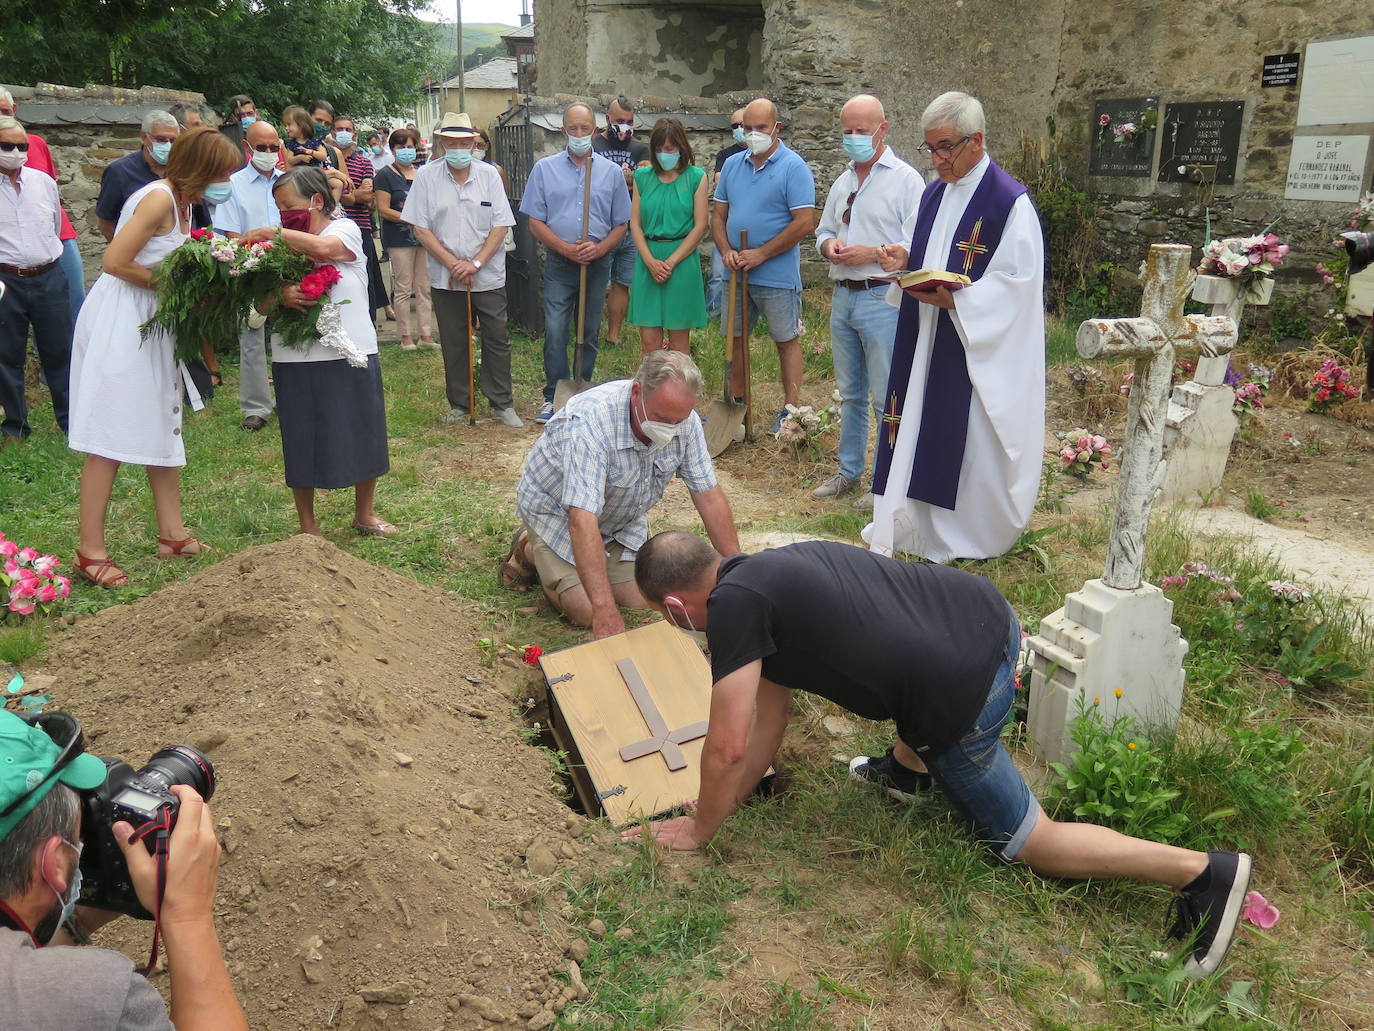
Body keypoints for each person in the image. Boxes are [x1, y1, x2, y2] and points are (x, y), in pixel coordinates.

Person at [625, 531, 1256, 979]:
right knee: (908, 683)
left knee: (1030, 840)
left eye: (667, 618)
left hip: (961, 695)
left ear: (676, 603)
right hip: (991, 620)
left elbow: (730, 741)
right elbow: (768, 717)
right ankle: (907, 771)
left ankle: (1202, 874)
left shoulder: (732, 609)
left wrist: (700, 829)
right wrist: (729, 798)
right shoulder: (764, 572)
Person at [864, 92, 1044, 563]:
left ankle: (964, 535)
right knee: (915, 419)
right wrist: (906, 259)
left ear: (976, 140)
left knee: (964, 434)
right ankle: (915, 524)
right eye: (930, 149)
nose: (937, 160)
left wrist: (962, 303)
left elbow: (1017, 284)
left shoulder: (1009, 202)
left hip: (971, 344)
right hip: (925, 333)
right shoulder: (934, 193)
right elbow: (932, 256)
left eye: (945, 147)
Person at [0, 709, 249, 1031]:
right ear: (55, 863)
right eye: (78, 839)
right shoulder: (87, 997)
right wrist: (189, 915)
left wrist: (83, 917)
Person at [68, 126, 242, 586]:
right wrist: (179, 289)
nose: (227, 179)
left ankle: (172, 535)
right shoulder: (159, 199)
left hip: (155, 321)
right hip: (124, 320)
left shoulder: (186, 203)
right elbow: (115, 262)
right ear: (200, 168)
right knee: (111, 431)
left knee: (165, 419)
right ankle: (90, 551)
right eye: (222, 171)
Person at [507, 351, 740, 637]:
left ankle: (587, 564)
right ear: (637, 392)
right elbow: (581, 520)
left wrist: (737, 573)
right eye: (661, 417)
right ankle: (531, 549)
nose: (669, 428)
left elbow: (710, 498)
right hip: (558, 516)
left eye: (677, 420)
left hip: (618, 520)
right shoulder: (592, 423)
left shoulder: (685, 421)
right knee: (586, 610)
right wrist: (604, 609)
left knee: (642, 600)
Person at [239, 166, 395, 537]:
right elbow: (251, 315)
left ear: (318, 201)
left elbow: (326, 250)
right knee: (301, 436)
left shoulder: (344, 229)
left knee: (363, 430)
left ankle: (365, 514)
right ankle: (307, 526)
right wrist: (277, 296)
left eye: (289, 207)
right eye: (277, 210)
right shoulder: (269, 251)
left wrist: (271, 233)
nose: (282, 216)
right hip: (296, 359)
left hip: (351, 351)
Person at [812, 94, 926, 507]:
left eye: (862, 130)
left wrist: (872, 253)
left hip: (883, 296)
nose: (854, 138)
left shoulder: (906, 180)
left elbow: (919, 244)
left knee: (885, 394)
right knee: (850, 392)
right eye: (847, 131)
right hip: (844, 295)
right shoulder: (844, 181)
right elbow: (823, 231)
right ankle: (848, 472)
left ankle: (887, 482)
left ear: (883, 129)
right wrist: (830, 250)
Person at [404, 113, 519, 426]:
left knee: (496, 336)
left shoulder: (489, 175)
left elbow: (501, 225)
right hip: (446, 276)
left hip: (488, 273)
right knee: (455, 340)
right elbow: (419, 227)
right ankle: (459, 402)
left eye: (463, 142)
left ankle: (501, 402)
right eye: (451, 142)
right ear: (442, 143)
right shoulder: (427, 176)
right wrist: (452, 263)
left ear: (473, 143)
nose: (458, 147)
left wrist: (475, 262)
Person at [520, 102, 631, 425]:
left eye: (585, 129)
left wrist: (599, 250)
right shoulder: (545, 169)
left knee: (589, 329)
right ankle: (553, 393)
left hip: (596, 263)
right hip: (560, 262)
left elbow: (620, 224)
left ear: (595, 130)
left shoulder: (610, 172)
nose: (579, 134)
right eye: (573, 128)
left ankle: (583, 391)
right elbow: (536, 222)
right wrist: (566, 249)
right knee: (555, 329)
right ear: (563, 130)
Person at [713, 97, 816, 432]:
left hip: (776, 274)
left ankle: (791, 412)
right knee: (736, 340)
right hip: (737, 271)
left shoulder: (793, 167)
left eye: (760, 128)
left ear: (776, 128)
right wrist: (726, 250)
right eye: (748, 128)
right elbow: (719, 216)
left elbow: (804, 222)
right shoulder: (732, 165)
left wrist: (762, 253)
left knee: (786, 339)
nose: (753, 133)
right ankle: (739, 409)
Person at [0, 115, 70, 442]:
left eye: (21, 146)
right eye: (7, 146)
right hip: (5, 280)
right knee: (6, 356)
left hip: (48, 275)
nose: (15, 152)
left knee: (60, 352)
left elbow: (53, 227)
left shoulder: (43, 183)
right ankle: (15, 427)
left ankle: (71, 421)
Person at [213, 118, 285, 431]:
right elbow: (230, 235)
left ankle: (290, 398)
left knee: (291, 336)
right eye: (262, 147)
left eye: (274, 147)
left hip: (287, 269)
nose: (269, 153)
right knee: (252, 339)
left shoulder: (291, 182)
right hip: (250, 269)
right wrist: (249, 260)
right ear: (247, 147)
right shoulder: (233, 186)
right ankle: (256, 408)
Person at [2, 88, 86, 327]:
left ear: (15, 110)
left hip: (57, 238)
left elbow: (50, 192)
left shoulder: (35, 144)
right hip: (10, 255)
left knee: (70, 309)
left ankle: (71, 361)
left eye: (5, 111)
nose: (3, 118)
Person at [628, 117, 708, 355]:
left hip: (681, 262)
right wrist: (650, 262)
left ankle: (678, 391)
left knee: (679, 342)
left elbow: (700, 225)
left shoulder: (696, 177)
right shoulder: (642, 177)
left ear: (681, 148)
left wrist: (671, 262)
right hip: (648, 259)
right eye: (659, 149)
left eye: (670, 149)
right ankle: (651, 390)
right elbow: (635, 224)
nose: (664, 153)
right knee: (649, 340)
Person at [592, 96, 650, 348]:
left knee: (622, 283)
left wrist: (623, 177)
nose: (624, 126)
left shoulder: (640, 149)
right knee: (595, 283)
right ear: (607, 119)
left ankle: (613, 335)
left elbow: (645, 180)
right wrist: (626, 177)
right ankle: (589, 331)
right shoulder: (593, 144)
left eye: (629, 121)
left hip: (631, 226)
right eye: (619, 121)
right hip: (601, 227)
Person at [374, 128, 435, 351]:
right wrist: (412, 218)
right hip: (399, 238)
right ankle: (405, 336)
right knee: (402, 287)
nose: (406, 151)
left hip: (423, 237)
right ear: (392, 149)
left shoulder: (422, 173)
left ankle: (426, 335)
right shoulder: (384, 175)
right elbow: (383, 209)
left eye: (410, 146)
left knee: (424, 287)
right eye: (401, 147)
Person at [330, 114, 388, 324]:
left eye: (347, 129)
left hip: (360, 226)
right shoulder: (326, 161)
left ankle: (369, 324)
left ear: (354, 134)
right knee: (337, 278)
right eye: (339, 129)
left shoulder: (364, 162)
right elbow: (354, 195)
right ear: (333, 133)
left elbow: (368, 196)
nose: (343, 133)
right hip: (331, 229)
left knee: (366, 278)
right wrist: (354, 195)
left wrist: (339, 194)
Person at [94, 110, 181, 241]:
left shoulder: (183, 171)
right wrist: (124, 252)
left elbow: (198, 219)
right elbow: (105, 223)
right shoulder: (119, 172)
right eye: (161, 139)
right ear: (144, 137)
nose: (168, 145)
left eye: (173, 140)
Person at [706, 106, 746, 318]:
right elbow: (720, 181)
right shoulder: (726, 155)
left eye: (743, 124)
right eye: (735, 126)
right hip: (727, 224)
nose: (739, 129)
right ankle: (713, 314)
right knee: (718, 273)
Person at [474, 128, 510, 193]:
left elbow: (503, 198)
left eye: (480, 145)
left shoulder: (497, 171)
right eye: (473, 145)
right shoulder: (461, 171)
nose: (475, 149)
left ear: (486, 146)